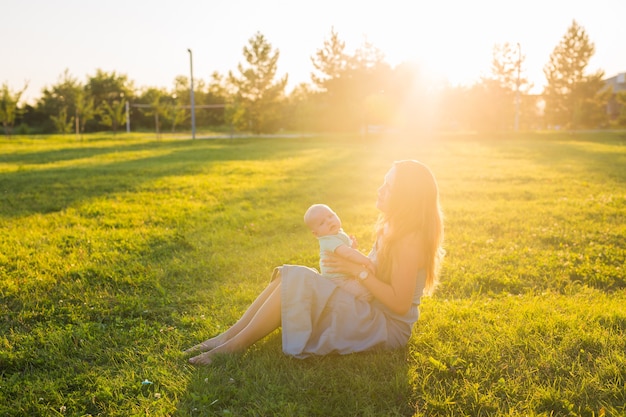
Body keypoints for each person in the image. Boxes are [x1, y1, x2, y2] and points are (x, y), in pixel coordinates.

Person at [185, 159, 444, 365]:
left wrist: (360, 273)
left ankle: (231, 348)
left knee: (300, 279)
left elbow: (399, 304)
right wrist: (355, 266)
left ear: (405, 197)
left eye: (388, 187)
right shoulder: (392, 227)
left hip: (385, 328)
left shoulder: (410, 241)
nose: (380, 189)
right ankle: (226, 337)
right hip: (368, 309)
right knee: (291, 276)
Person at [303, 203, 374, 301]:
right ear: (316, 233)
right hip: (338, 280)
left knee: (364, 284)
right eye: (322, 223)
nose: (329, 221)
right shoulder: (328, 240)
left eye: (330, 216)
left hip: (346, 275)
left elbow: (348, 251)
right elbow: (348, 254)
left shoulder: (336, 233)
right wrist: (367, 261)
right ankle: (360, 309)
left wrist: (352, 246)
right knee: (366, 292)